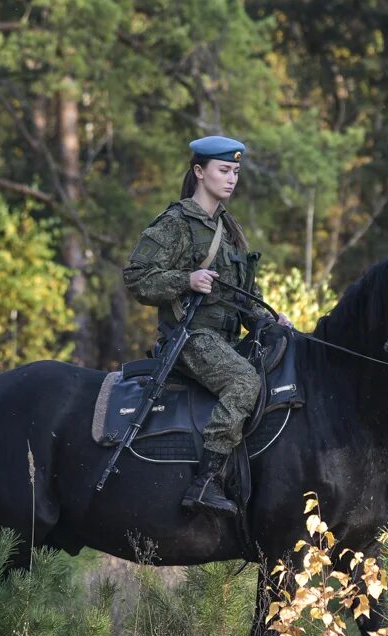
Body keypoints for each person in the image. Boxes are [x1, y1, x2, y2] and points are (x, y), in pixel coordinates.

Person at [124, 135, 290, 516]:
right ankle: (207, 481)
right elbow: (136, 277)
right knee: (245, 382)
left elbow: (244, 294)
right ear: (200, 172)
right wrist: (186, 280)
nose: (231, 179)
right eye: (223, 171)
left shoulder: (230, 229)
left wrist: (270, 320)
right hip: (190, 338)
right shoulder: (176, 223)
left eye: (235, 172)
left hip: (227, 341)